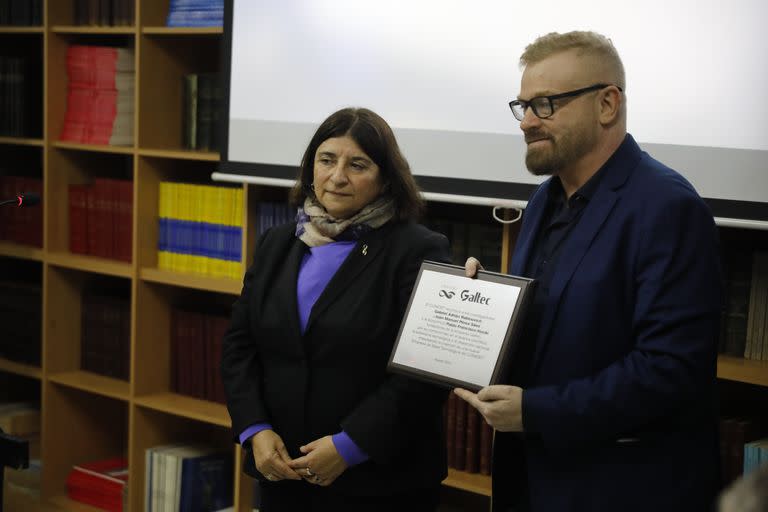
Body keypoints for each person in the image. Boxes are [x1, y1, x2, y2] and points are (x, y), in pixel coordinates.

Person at [455, 31, 722, 511]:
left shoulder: (668, 207)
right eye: (522, 106)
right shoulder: (542, 202)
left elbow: (671, 370)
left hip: (620, 489)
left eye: (546, 104)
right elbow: (550, 326)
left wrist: (535, 411)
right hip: (534, 481)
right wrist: (479, 301)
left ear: (607, 105)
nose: (527, 123)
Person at [221, 107, 451, 511]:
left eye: (357, 164)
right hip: (283, 472)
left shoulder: (418, 249)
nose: (338, 176)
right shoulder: (277, 243)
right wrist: (254, 429)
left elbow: (425, 372)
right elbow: (239, 346)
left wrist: (350, 446)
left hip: (380, 481)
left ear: (385, 178)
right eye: (327, 160)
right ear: (311, 167)